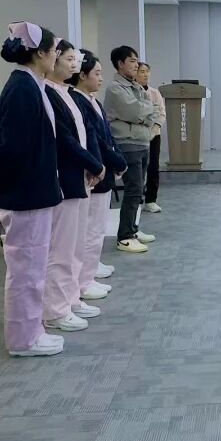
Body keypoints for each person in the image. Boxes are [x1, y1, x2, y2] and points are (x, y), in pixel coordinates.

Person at [0, 21, 66, 358]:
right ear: (39, 54)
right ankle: (23, 338)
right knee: (26, 270)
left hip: (33, 191)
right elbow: (14, 148)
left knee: (33, 267)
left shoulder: (30, 84)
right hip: (26, 195)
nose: (56, 58)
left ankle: (32, 330)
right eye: (54, 52)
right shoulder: (23, 87)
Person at [44, 40, 106, 333]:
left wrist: (92, 164)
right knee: (61, 249)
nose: (73, 64)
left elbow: (85, 134)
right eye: (68, 58)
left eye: (74, 59)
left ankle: (70, 298)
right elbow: (65, 139)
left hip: (80, 175)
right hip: (66, 177)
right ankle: (55, 309)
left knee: (75, 245)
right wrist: (93, 163)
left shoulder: (65, 93)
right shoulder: (47, 92)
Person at [69, 50, 127, 298]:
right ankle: (84, 280)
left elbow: (108, 137)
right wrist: (111, 161)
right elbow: (96, 141)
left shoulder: (93, 101)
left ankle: (90, 272)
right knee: (89, 231)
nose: (101, 78)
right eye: (97, 73)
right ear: (82, 75)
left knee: (97, 229)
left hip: (105, 169)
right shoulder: (77, 100)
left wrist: (117, 160)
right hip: (95, 172)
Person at [105, 46, 159, 253]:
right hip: (127, 143)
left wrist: (143, 113)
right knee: (133, 188)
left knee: (138, 189)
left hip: (142, 141)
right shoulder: (115, 88)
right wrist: (143, 113)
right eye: (132, 61)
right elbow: (135, 111)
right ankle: (125, 236)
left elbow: (152, 111)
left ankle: (133, 229)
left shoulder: (136, 87)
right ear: (120, 64)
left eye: (137, 61)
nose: (136, 65)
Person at [138, 62, 166, 213]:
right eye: (142, 71)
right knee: (138, 167)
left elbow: (161, 113)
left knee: (153, 166)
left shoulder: (155, 93)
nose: (145, 74)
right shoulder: (132, 92)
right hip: (137, 134)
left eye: (147, 71)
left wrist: (154, 128)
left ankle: (151, 200)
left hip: (154, 134)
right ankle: (137, 198)